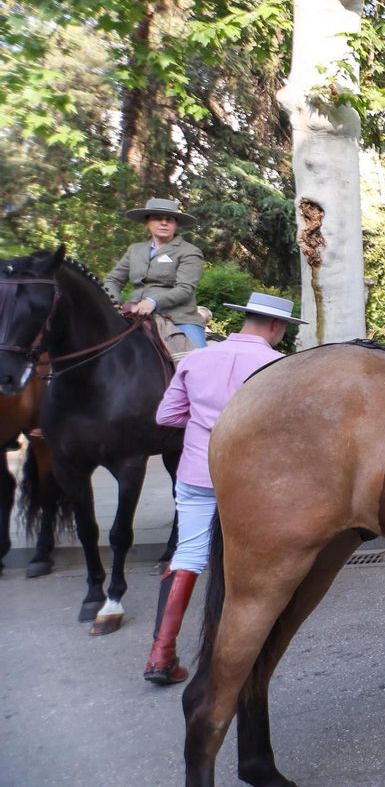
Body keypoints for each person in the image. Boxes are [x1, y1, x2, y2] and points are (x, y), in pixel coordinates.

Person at [144, 291, 301, 685]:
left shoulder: (196, 359)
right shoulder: (279, 367)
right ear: (276, 326)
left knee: (189, 554)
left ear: (245, 318)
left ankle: (161, 653)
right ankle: (243, 655)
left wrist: (204, 423)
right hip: (251, 483)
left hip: (197, 474)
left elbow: (167, 416)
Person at [104, 198, 208, 350]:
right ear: (147, 222)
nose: (164, 223)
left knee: (199, 363)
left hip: (178, 318)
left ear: (176, 224)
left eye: (169, 220)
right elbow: (113, 280)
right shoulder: (135, 250)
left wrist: (153, 302)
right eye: (158, 218)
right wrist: (113, 302)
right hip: (134, 315)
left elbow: (185, 289)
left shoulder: (189, 251)